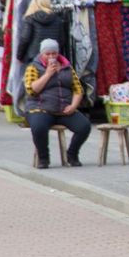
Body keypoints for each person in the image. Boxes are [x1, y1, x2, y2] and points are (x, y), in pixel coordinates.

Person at [24, 38, 91, 168]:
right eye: (47, 54)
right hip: (40, 107)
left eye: (53, 53)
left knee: (84, 126)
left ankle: (72, 154)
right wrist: (48, 73)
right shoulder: (33, 67)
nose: (51, 56)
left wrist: (73, 106)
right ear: (42, 54)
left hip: (63, 108)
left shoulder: (67, 67)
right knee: (39, 127)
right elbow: (32, 90)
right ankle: (44, 158)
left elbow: (78, 89)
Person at [17, 0, 69, 65]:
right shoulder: (57, 19)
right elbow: (62, 40)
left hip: (34, 57)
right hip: (53, 58)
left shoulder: (30, 19)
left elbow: (25, 38)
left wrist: (19, 56)